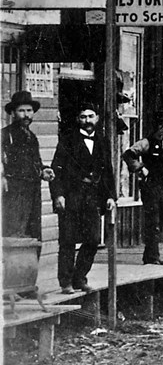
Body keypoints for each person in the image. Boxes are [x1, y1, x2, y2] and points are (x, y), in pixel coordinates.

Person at [50, 104, 116, 293]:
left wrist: (111, 196)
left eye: (90, 116)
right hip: (72, 195)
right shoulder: (68, 140)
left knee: (93, 239)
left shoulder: (102, 141)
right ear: (78, 119)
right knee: (68, 239)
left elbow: (108, 170)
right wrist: (58, 195)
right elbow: (57, 169)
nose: (87, 121)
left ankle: (80, 278)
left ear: (97, 118)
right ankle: (66, 282)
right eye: (83, 117)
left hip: (93, 197)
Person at [123, 110, 163, 265]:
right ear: (155, 125)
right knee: (153, 220)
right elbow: (128, 154)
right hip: (150, 186)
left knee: (161, 219)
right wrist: (141, 168)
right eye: (160, 124)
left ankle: (152, 254)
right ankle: (152, 257)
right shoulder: (146, 142)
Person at [3, 91, 55, 258]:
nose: (26, 115)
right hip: (13, 193)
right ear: (13, 113)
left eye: (29, 111)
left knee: (33, 233)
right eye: (21, 111)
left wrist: (43, 171)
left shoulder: (32, 137)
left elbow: (36, 163)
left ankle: (29, 275)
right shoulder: (5, 136)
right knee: (14, 233)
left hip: (32, 192)